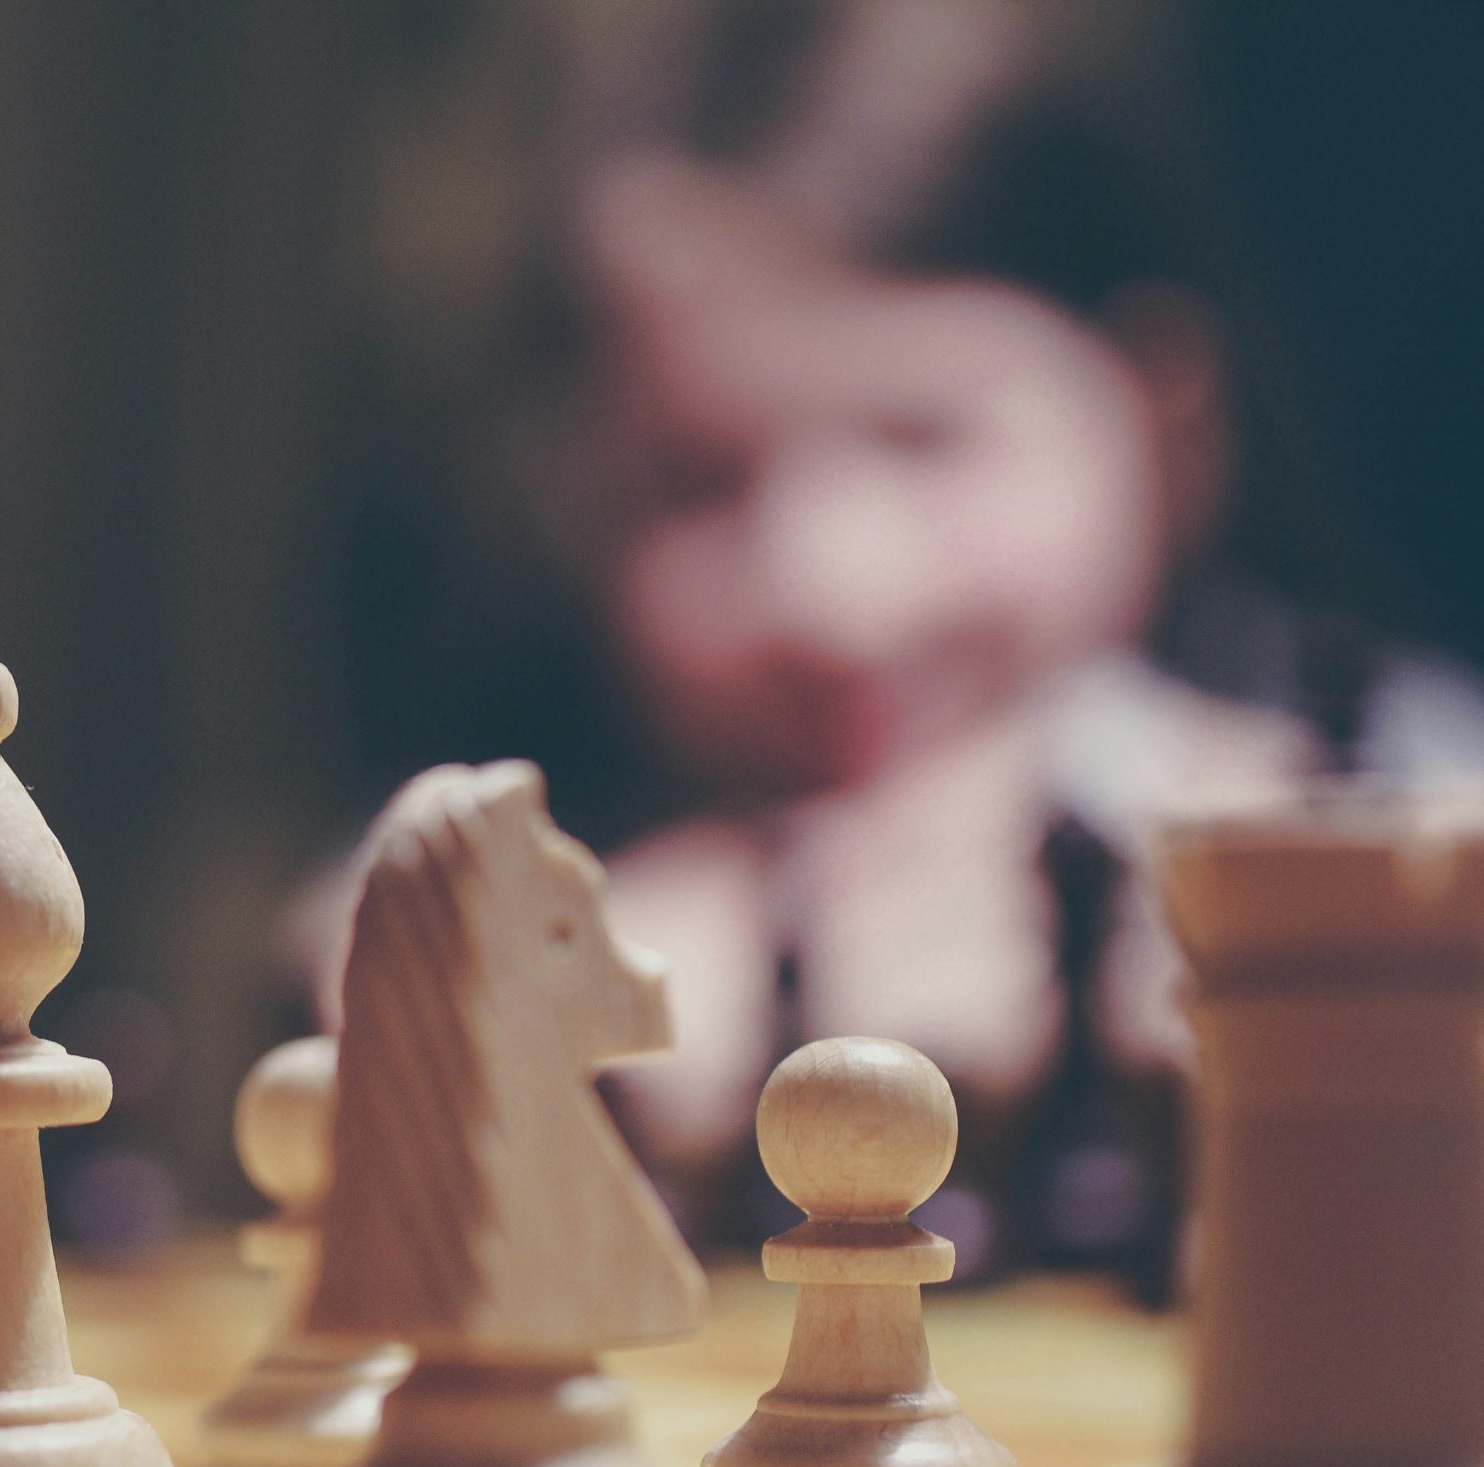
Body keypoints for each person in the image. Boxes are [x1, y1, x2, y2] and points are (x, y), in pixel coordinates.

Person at [306, 0, 1482, 1296]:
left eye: (927, 438)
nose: (828, 593)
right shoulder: (573, 832)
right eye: (695, 479)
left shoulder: (1398, 786)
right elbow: (337, 990)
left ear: (1165, 423)